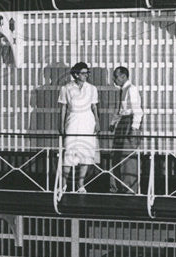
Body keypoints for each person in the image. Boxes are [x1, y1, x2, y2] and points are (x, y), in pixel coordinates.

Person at [58, 61, 100, 193]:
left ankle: (80, 184)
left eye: (87, 72)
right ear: (76, 74)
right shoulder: (66, 88)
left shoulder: (92, 88)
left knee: (86, 152)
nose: (86, 75)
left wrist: (97, 122)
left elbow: (94, 106)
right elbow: (63, 107)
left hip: (88, 121)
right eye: (83, 73)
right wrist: (61, 124)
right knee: (69, 151)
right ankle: (63, 184)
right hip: (73, 120)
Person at [109, 66, 144, 193]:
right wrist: (113, 123)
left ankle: (130, 188)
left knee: (128, 157)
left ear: (123, 76)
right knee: (116, 155)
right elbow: (120, 110)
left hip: (130, 123)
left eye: (116, 76)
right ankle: (116, 187)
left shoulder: (132, 89)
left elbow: (138, 111)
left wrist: (134, 128)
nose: (114, 79)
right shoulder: (121, 90)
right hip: (122, 123)